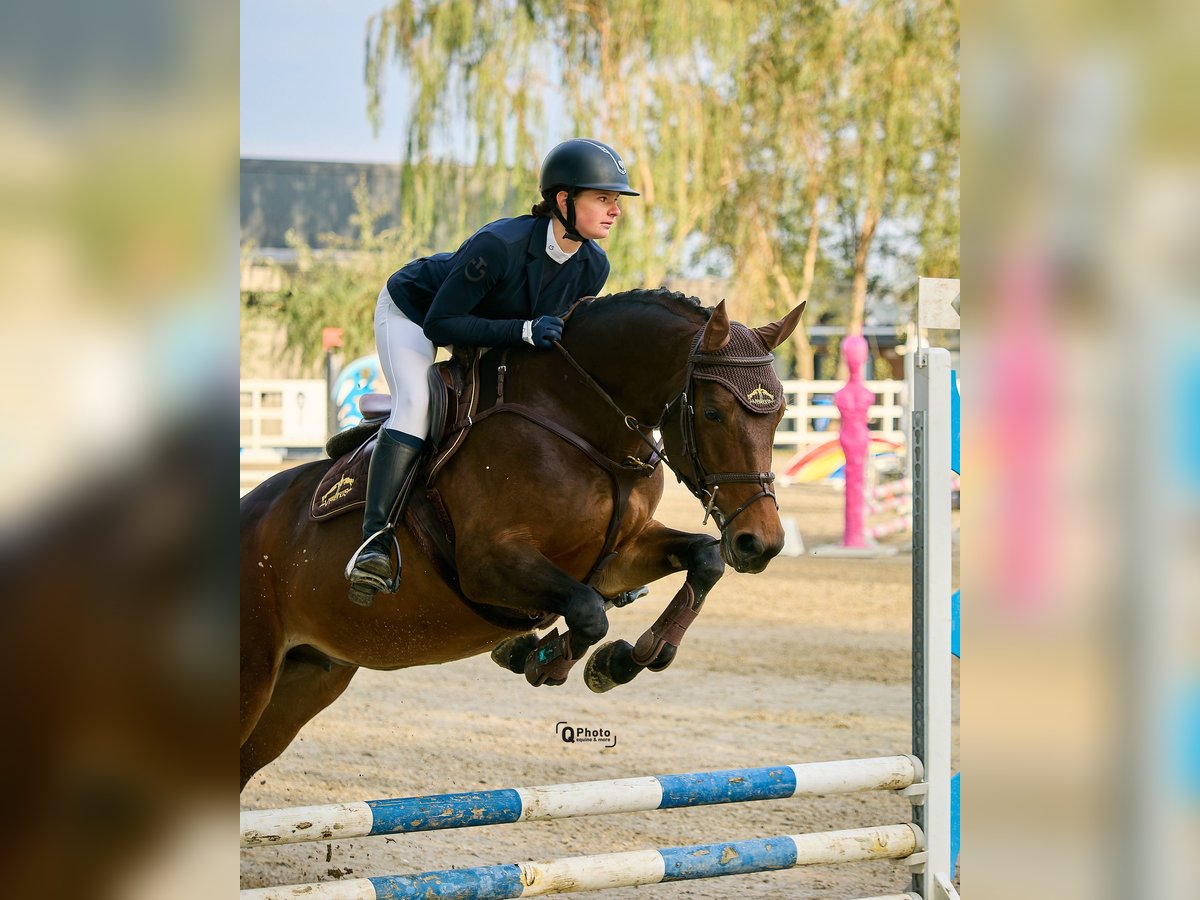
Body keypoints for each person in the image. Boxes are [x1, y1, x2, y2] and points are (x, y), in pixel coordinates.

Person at [346, 139, 639, 606]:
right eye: (603, 198)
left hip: (487, 328)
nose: (615, 211)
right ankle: (374, 539)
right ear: (563, 201)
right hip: (413, 312)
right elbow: (442, 324)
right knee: (418, 402)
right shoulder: (498, 245)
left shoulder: (592, 267)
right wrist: (523, 330)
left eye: (616, 201)